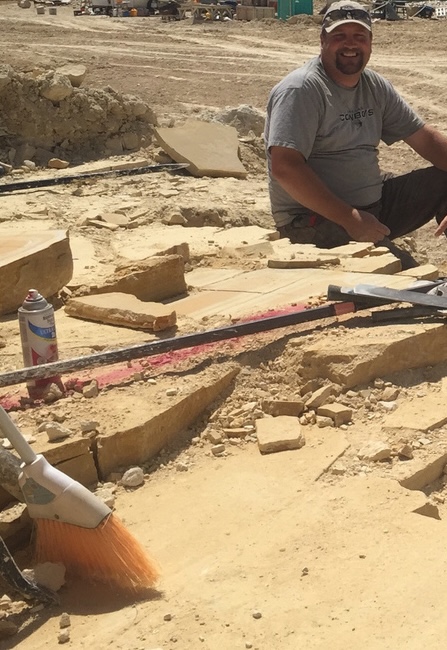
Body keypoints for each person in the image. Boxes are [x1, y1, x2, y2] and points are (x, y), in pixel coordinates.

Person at [264, 1, 447, 268]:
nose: (350, 44)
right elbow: (285, 167)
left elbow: (425, 140)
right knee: (411, 279)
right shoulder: (302, 89)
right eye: (340, 35)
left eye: (359, 36)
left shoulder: (374, 86)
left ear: (370, 42)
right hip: (313, 221)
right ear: (323, 40)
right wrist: (350, 219)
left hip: (371, 208)